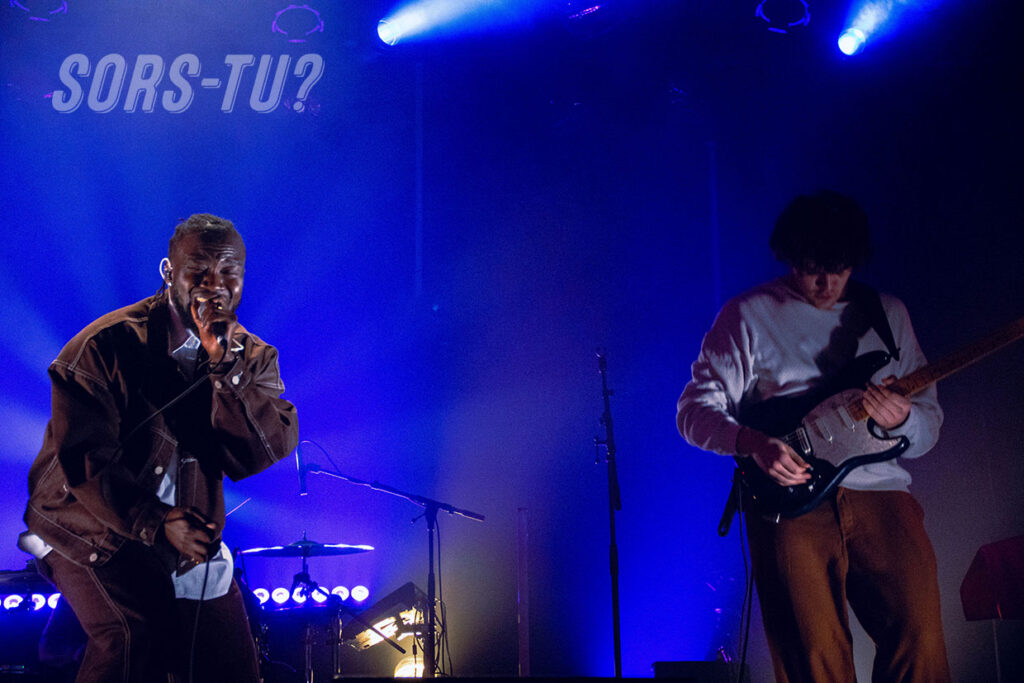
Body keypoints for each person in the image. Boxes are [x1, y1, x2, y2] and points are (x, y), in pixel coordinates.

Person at [676, 191, 950, 682]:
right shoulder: (747, 314)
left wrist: (904, 419)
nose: (826, 284)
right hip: (789, 500)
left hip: (882, 492)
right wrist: (752, 443)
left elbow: (929, 426)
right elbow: (693, 411)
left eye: (839, 269)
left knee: (920, 640)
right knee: (814, 657)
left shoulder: (887, 314)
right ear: (789, 258)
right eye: (811, 270)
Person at [22, 214, 299, 682]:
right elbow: (87, 461)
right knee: (135, 631)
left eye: (228, 272)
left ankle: (65, 636)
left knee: (231, 659)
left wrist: (227, 372)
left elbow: (261, 450)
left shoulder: (252, 357)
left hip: (184, 536)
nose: (215, 285)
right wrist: (154, 521)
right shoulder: (102, 346)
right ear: (169, 272)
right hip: (84, 524)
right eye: (199, 271)